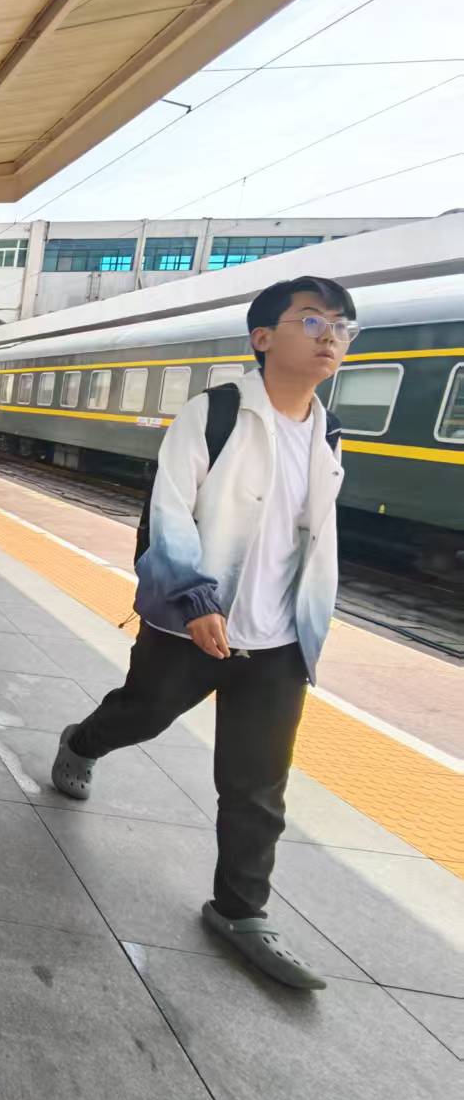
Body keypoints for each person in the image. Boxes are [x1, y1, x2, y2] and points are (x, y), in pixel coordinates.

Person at [49, 276, 355, 990]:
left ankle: (240, 911)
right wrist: (194, 598)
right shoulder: (213, 413)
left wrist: (312, 621)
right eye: (313, 321)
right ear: (262, 338)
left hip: (279, 642)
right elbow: (170, 510)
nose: (331, 337)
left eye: (343, 326)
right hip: (192, 624)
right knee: (144, 713)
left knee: (257, 783)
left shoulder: (328, 431)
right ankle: (82, 741)